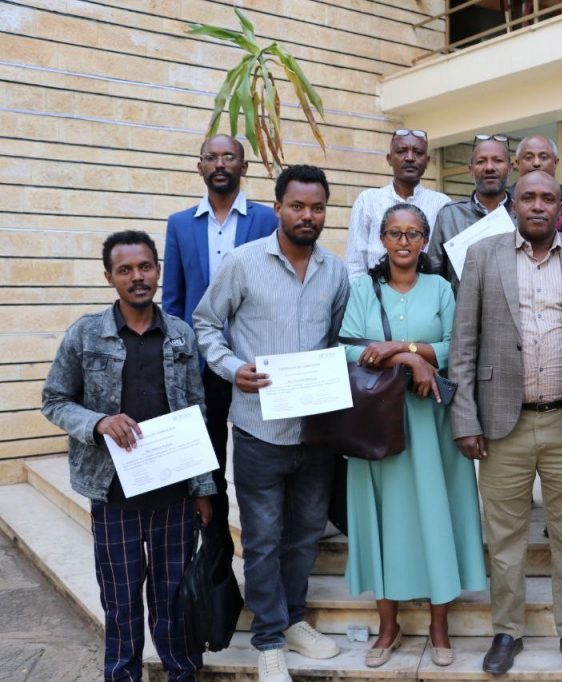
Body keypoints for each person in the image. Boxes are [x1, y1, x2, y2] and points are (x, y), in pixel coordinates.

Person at [449, 171, 562, 679]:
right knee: (505, 540)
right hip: (503, 425)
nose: (539, 205)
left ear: (560, 207)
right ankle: (508, 630)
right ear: (513, 205)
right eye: (529, 197)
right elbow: (463, 346)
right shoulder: (484, 256)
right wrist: (465, 419)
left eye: (548, 197)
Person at [193, 165, 349, 682]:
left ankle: (295, 620)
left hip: (316, 430)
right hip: (260, 429)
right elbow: (206, 323)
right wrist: (231, 367)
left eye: (318, 207)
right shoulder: (242, 263)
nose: (308, 216)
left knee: (304, 537)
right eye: (298, 206)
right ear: (278, 207)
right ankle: (267, 640)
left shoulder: (335, 270)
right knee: (262, 539)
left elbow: (338, 339)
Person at [41, 230, 216, 682]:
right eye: (125, 270)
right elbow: (55, 400)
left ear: (157, 270)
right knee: (119, 602)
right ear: (109, 277)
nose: (137, 278)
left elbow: (197, 412)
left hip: (175, 497)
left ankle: (182, 673)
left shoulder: (180, 335)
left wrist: (203, 489)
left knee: (173, 600)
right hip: (114, 495)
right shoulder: (86, 334)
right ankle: (122, 675)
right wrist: (97, 423)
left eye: (145, 267)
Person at [341, 203, 487, 669]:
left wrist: (404, 349)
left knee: (435, 514)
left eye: (413, 234)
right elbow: (346, 347)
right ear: (381, 240)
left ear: (425, 240)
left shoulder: (442, 288)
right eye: (394, 233)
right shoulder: (363, 289)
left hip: (432, 425)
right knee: (385, 521)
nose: (403, 242)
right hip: (375, 424)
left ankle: (439, 625)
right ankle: (388, 627)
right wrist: (410, 360)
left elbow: (456, 345)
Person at [163, 133, 278, 551]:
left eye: (229, 157)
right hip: (202, 364)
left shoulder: (266, 220)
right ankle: (215, 554)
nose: (220, 164)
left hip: (254, 362)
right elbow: (174, 300)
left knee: (258, 460)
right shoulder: (179, 224)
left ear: (243, 167)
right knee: (208, 460)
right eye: (211, 157)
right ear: (200, 167)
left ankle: (265, 542)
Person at [345, 129, 451, 280]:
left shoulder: (442, 204)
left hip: (427, 298)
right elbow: (355, 263)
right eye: (401, 151)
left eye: (417, 152)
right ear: (389, 159)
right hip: (375, 295)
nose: (409, 158)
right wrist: (364, 298)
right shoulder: (368, 201)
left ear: (427, 161)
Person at [427, 135, 513, 293]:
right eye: (481, 161)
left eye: (497, 160)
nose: (489, 167)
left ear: (510, 167)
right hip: (461, 311)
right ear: (471, 170)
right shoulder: (449, 215)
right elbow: (433, 275)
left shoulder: (522, 216)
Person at [508, 134, 562, 201]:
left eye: (543, 157)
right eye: (528, 158)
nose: (536, 163)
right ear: (518, 163)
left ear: (555, 162)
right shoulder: (504, 202)